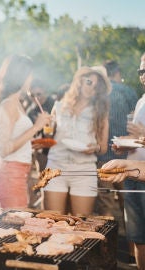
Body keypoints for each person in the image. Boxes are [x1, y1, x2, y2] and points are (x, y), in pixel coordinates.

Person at [0, 54, 51, 214]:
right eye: (30, 75)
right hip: (9, 174)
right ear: (21, 76)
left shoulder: (16, 102)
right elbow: (4, 149)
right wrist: (36, 127)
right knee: (14, 232)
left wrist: (33, 138)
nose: (31, 79)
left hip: (15, 172)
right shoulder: (8, 105)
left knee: (13, 230)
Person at [43, 66, 111, 216]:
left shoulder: (100, 112)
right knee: (52, 221)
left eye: (96, 86)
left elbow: (103, 147)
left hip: (84, 171)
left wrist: (95, 148)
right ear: (80, 80)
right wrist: (46, 127)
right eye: (89, 81)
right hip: (56, 168)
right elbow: (49, 138)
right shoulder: (59, 106)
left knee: (81, 224)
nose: (91, 87)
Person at [105, 53, 145, 270]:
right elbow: (139, 139)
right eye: (141, 71)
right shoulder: (140, 101)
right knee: (138, 238)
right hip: (132, 177)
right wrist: (125, 143)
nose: (143, 75)